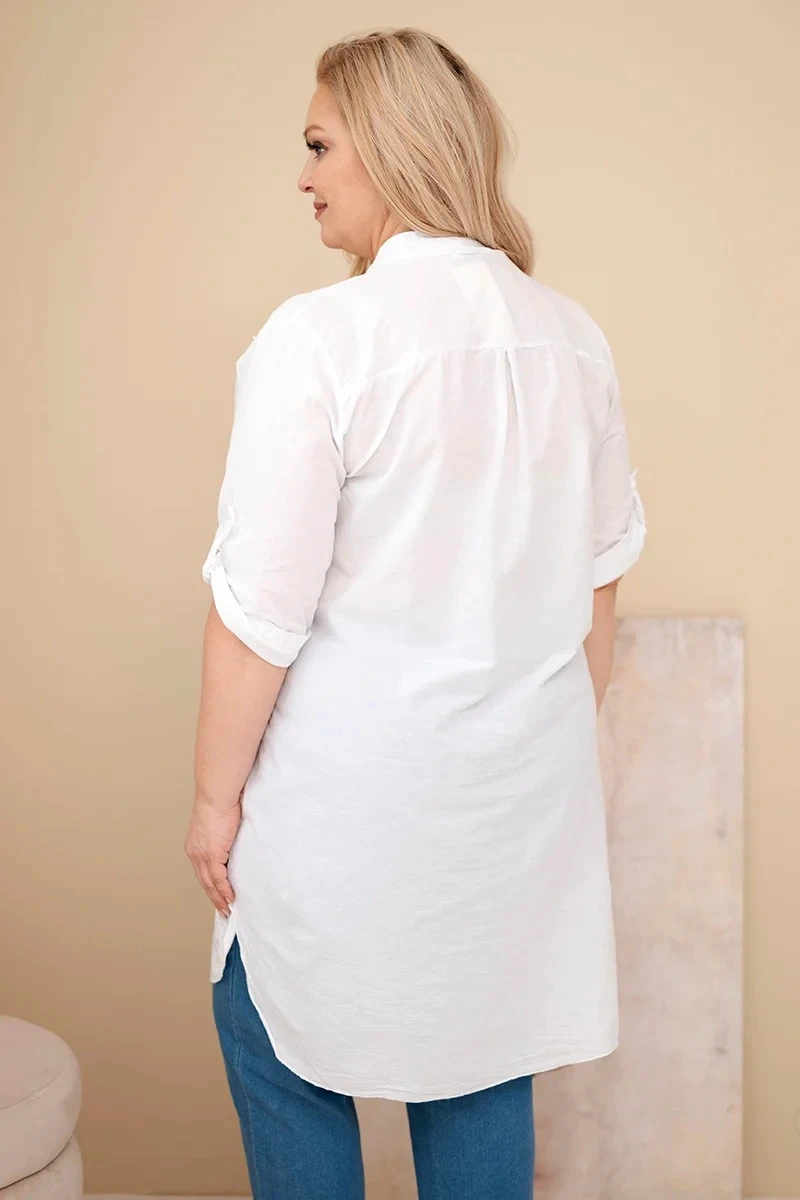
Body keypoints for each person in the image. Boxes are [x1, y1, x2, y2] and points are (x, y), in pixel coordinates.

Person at [184, 25, 646, 1200]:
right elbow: (594, 594)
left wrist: (214, 803)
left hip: (347, 810)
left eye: (318, 144)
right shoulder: (572, 338)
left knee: (274, 1038)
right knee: (479, 1067)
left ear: (389, 147)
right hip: (512, 819)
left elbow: (257, 615)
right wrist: (518, 762)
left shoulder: (319, 341)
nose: (302, 175)